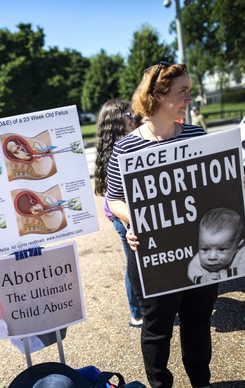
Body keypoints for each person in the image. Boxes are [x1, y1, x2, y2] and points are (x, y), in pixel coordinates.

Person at [106, 62, 245, 388]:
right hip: (152, 256)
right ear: (157, 95)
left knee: (197, 325)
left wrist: (235, 188)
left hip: (199, 252)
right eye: (182, 91)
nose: (189, 97)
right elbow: (113, 200)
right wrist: (134, 219)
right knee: (156, 331)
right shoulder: (126, 147)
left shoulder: (197, 136)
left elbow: (216, 191)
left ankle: (202, 382)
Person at [93, 98, 143, 329]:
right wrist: (128, 221)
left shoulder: (114, 146)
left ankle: (143, 309)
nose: (132, 117)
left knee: (139, 263)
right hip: (123, 216)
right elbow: (114, 196)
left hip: (127, 214)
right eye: (127, 114)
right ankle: (137, 313)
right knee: (134, 264)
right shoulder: (119, 149)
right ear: (115, 121)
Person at [187, 208, 245, 284]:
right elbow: (192, 268)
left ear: (238, 246)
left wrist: (225, 275)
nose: (212, 257)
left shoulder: (243, 252)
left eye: (222, 249)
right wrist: (202, 279)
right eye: (205, 249)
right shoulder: (199, 259)